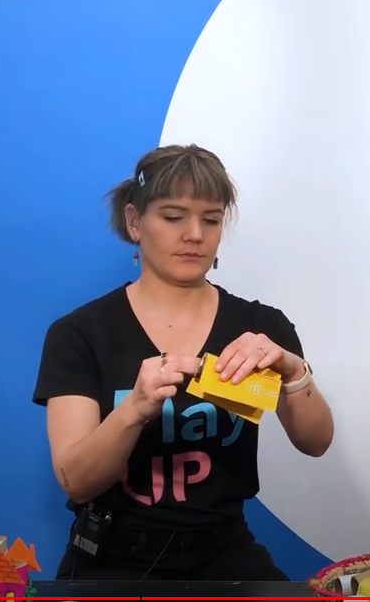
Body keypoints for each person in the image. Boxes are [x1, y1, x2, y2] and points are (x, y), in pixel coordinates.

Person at [32, 144, 335, 581]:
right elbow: (75, 480)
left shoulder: (260, 327)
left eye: (211, 219)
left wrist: (292, 370)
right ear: (136, 221)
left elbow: (316, 441)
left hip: (225, 548)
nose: (194, 234)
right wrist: (134, 409)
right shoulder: (79, 334)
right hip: (112, 555)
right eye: (174, 217)